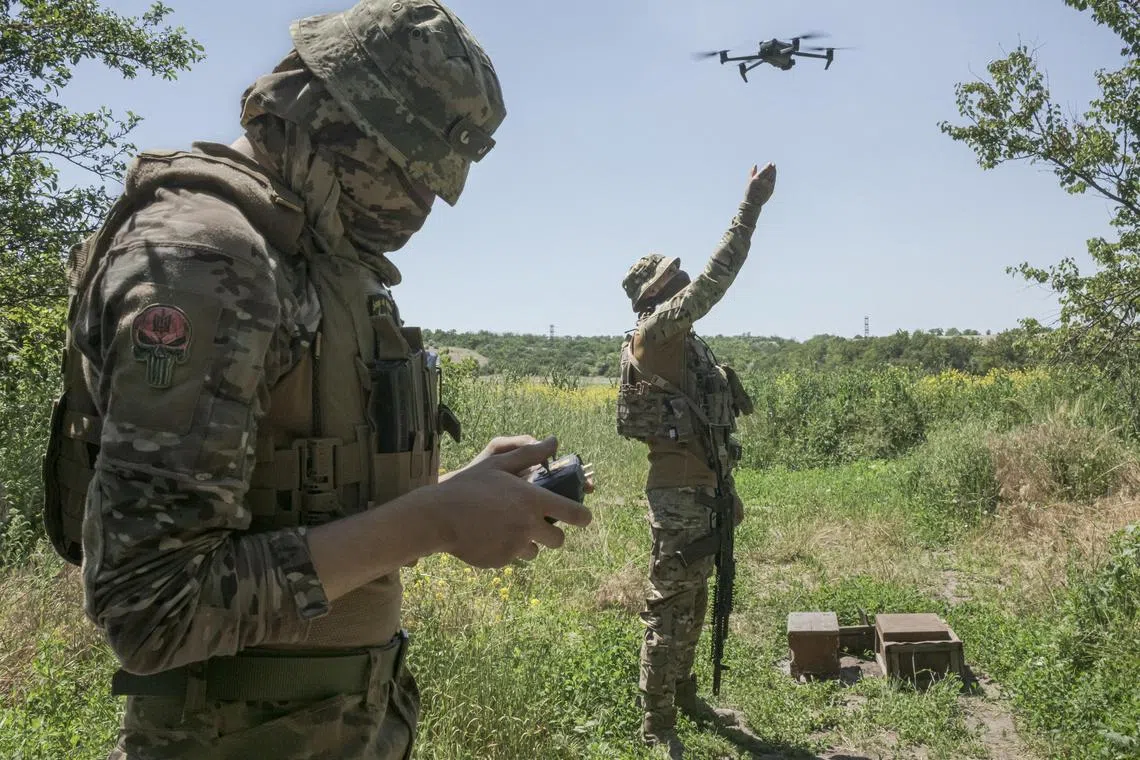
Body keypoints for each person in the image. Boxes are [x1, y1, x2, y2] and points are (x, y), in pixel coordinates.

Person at [40, 1, 592, 757]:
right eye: (406, 175)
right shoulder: (206, 264)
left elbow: (298, 503)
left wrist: (456, 495)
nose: (419, 211)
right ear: (330, 119)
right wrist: (431, 522)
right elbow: (150, 611)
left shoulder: (297, 251)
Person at [616, 163, 777, 757]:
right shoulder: (657, 332)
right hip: (679, 494)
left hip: (703, 488)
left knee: (697, 599)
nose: (680, 277)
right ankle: (656, 725)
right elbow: (714, 280)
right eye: (669, 275)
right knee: (670, 606)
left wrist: (726, 488)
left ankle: (683, 694)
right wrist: (751, 207)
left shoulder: (680, 341)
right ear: (653, 294)